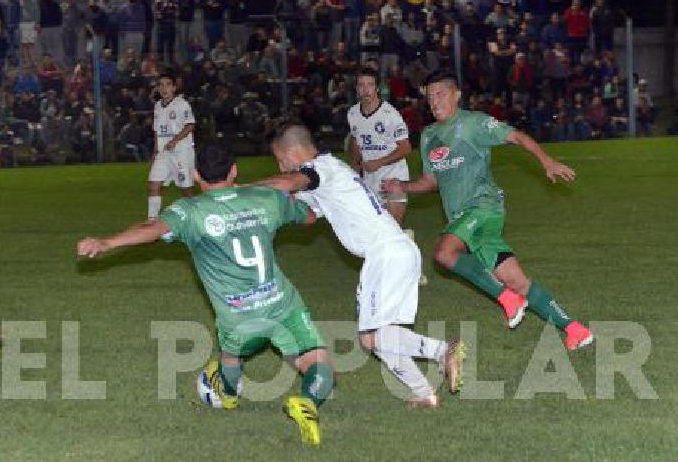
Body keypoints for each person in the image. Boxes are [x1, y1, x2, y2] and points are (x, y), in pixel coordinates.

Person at [76, 144, 333, 446]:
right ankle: (308, 401)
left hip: (237, 315)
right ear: (234, 170)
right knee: (318, 362)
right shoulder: (266, 198)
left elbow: (152, 228)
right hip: (280, 303)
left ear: (197, 175)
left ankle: (227, 393)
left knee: (231, 356)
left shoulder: (190, 212)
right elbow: (309, 218)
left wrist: (107, 243)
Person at [381, 70, 594, 350]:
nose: (434, 102)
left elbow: (517, 136)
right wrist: (403, 186)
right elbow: (431, 181)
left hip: (483, 207)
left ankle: (507, 299)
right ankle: (576, 330)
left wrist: (547, 161)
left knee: (444, 253)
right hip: (470, 223)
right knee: (518, 282)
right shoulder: (430, 136)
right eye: (430, 97)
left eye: (440, 94)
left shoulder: (473, 124)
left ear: (456, 95)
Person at [253, 126, 464, 408]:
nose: (281, 166)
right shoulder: (327, 173)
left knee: (373, 336)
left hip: (385, 253)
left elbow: (291, 184)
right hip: (393, 252)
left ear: (293, 152)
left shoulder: (320, 168)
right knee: (375, 336)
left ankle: (442, 350)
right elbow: (308, 213)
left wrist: (240, 189)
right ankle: (424, 392)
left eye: (281, 160)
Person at [344, 68, 428, 285]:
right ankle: (396, 264)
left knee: (391, 227)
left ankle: (411, 273)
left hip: (394, 177)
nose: (366, 90)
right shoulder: (353, 113)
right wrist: (356, 165)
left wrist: (378, 163)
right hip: (370, 180)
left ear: (377, 87)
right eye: (361, 85)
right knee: (381, 231)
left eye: (370, 85)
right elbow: (355, 140)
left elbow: (406, 147)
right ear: (356, 89)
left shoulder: (390, 115)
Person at [147, 72, 198, 219]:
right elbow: (156, 130)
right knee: (153, 185)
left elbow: (190, 125)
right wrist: (156, 152)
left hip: (181, 152)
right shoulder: (157, 106)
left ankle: (196, 216)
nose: (164, 88)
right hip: (163, 153)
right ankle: (152, 221)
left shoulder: (182, 104)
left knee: (186, 189)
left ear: (174, 88)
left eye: (168, 85)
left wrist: (175, 140)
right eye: (161, 85)